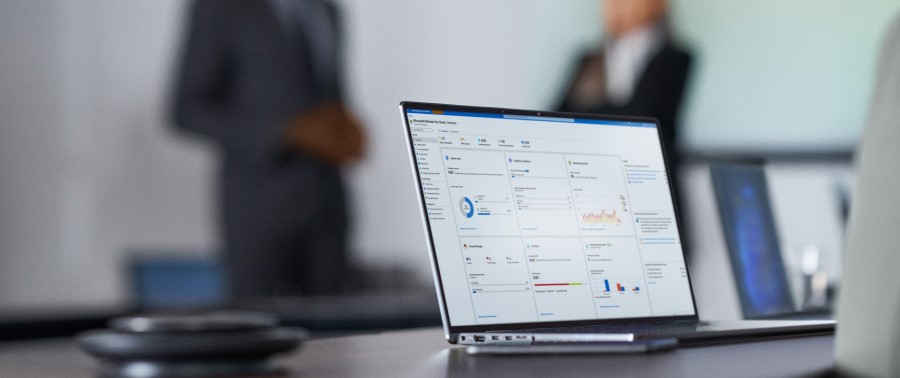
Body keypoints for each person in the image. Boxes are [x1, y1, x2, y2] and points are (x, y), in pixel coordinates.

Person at [172, 0, 365, 298]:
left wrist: (346, 128)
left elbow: (330, 95)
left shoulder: (328, 12)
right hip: (259, 205)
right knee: (255, 326)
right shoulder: (221, 8)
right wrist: (285, 132)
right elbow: (186, 109)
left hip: (327, 204)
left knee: (338, 332)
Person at [557, 0, 691, 206]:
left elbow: (642, 115)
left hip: (650, 186)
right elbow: (555, 117)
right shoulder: (588, 59)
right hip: (593, 183)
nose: (614, 5)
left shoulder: (674, 58)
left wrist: (585, 110)